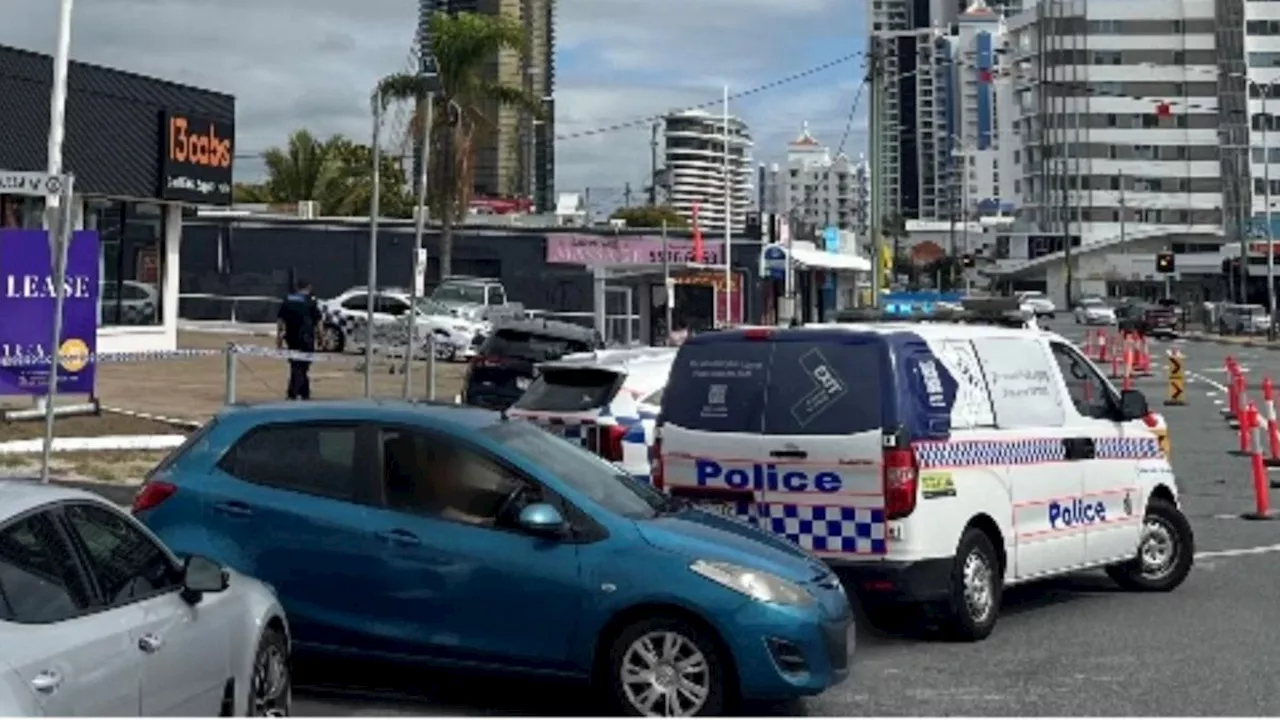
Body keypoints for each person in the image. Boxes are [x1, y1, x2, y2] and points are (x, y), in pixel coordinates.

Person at [276, 279, 321, 400]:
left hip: (291, 337)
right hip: (306, 338)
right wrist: (321, 338)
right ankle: (293, 393)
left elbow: (281, 321)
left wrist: (279, 339)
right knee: (302, 367)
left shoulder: (288, 299)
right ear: (309, 287)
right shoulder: (310, 301)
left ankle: (304, 392)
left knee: (296, 365)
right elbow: (318, 322)